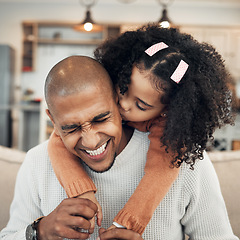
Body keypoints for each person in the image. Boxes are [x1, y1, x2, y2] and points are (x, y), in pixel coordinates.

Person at [0, 54, 238, 240]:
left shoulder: (185, 160)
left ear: (118, 99)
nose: (91, 141)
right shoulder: (36, 162)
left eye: (101, 119)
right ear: (52, 119)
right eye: (71, 128)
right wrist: (38, 232)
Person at [47, 24, 237, 235]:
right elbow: (57, 139)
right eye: (123, 89)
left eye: (141, 105)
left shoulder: (170, 139)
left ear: (167, 111)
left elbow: (159, 174)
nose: (123, 105)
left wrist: (127, 224)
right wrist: (81, 191)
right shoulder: (46, 153)